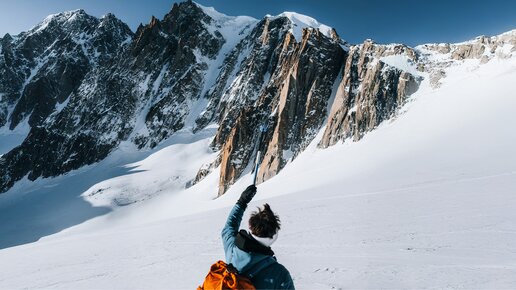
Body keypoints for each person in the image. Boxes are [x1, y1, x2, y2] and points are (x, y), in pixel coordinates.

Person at [221, 184, 295, 289]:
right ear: (273, 237)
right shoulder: (280, 275)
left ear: (250, 227)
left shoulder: (232, 251)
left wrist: (242, 202)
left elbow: (229, 227)